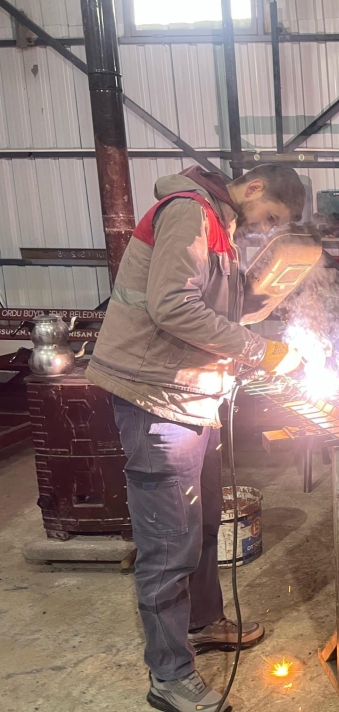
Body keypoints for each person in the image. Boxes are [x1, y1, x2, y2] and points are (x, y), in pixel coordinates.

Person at [86, 164, 307, 712]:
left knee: (204, 522)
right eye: (270, 216)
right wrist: (261, 351)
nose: (265, 228)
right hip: (155, 398)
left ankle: (204, 623)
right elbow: (172, 307)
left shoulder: (221, 228)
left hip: (192, 399)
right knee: (169, 545)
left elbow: (222, 311)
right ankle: (169, 677)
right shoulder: (190, 212)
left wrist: (274, 288)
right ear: (254, 187)